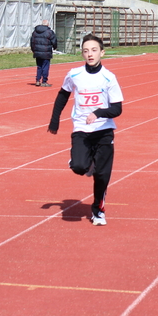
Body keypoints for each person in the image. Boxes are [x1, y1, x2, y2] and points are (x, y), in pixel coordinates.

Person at [48, 34, 124, 226]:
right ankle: (86, 164)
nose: (90, 54)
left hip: (104, 130)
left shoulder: (109, 77)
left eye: (94, 50)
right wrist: (54, 120)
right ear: (82, 53)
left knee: (102, 177)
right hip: (81, 129)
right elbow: (62, 95)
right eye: (86, 50)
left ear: (102, 53)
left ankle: (98, 211)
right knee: (79, 167)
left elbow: (117, 108)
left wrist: (98, 113)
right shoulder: (74, 74)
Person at [30, 19, 57, 87]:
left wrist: (33, 50)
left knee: (39, 66)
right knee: (45, 66)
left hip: (37, 52)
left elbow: (32, 42)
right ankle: (44, 81)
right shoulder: (50, 32)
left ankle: (38, 80)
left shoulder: (35, 32)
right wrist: (55, 47)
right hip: (46, 52)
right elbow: (54, 41)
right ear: (47, 25)